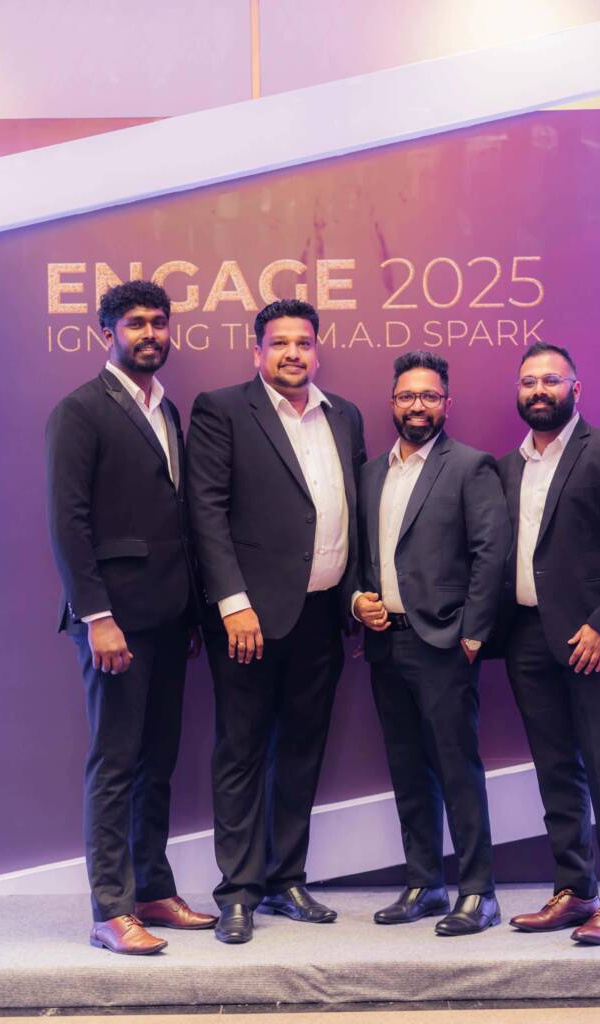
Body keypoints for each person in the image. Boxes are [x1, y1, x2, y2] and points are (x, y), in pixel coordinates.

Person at [186, 298, 366, 944]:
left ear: (317, 350)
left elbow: (354, 511)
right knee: (241, 751)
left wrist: (353, 597)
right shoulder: (222, 409)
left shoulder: (343, 414)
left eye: (304, 342)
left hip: (322, 614)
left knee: (300, 750)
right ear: (256, 350)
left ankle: (286, 878)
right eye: (280, 342)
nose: (293, 353)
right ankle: (238, 892)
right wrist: (232, 603)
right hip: (249, 619)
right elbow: (205, 511)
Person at [45, 281, 216, 955]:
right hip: (113, 621)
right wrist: (97, 616)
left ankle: (151, 890)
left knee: (157, 761)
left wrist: (192, 614)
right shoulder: (80, 410)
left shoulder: (166, 408)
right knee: (115, 763)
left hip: (170, 618)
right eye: (136, 323)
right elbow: (68, 523)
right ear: (108, 332)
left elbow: (175, 516)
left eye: (159, 322)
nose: (150, 333)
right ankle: (109, 910)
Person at [499, 342, 600, 945]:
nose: (538, 390)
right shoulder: (507, 466)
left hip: (593, 638)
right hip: (526, 637)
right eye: (528, 382)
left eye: (551, 380)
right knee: (555, 769)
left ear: (576, 388)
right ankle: (576, 889)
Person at [354, 351, 510, 936]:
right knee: (406, 767)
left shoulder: (470, 466)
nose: (417, 406)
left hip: (445, 644)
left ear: (447, 403)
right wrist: (357, 600)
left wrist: (473, 633)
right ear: (392, 403)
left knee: (455, 767)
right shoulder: (370, 473)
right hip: (384, 644)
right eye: (406, 396)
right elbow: (359, 555)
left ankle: (478, 892)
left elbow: (492, 554)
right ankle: (424, 883)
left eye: (429, 396)